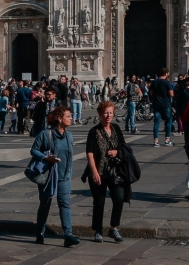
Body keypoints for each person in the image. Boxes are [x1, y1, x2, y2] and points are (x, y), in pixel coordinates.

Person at [29, 105, 79, 246]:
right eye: (68, 116)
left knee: (65, 204)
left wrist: (69, 173)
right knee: (45, 204)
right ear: (59, 118)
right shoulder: (46, 134)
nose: (71, 118)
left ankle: (68, 235)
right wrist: (46, 158)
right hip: (49, 175)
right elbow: (34, 150)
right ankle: (40, 233)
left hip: (64, 176)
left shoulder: (69, 135)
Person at [84, 100, 129, 243]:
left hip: (115, 171)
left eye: (111, 112)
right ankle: (98, 230)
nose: (108, 115)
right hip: (99, 171)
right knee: (99, 201)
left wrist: (117, 152)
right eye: (106, 113)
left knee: (119, 198)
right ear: (100, 114)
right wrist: (95, 172)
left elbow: (123, 147)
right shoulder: (94, 131)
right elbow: (90, 153)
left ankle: (114, 228)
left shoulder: (116, 129)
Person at [149, 70, 174, 146]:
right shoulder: (167, 82)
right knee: (168, 120)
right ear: (166, 73)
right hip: (165, 104)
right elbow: (171, 94)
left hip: (156, 104)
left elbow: (151, 93)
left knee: (156, 122)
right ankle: (167, 140)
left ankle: (156, 141)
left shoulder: (154, 82)